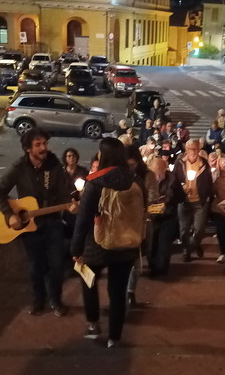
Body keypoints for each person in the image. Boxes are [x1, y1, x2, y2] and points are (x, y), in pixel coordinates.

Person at [0, 128, 77, 316]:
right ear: (28, 149)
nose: (43, 147)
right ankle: (38, 301)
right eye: (38, 145)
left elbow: (64, 190)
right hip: (30, 226)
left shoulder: (54, 165)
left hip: (53, 223)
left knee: (56, 265)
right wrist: (9, 214)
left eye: (45, 143)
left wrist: (69, 205)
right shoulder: (20, 167)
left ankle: (55, 299)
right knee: (36, 266)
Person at [71, 138, 145, 348]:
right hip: (126, 244)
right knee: (117, 292)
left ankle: (93, 324)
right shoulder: (134, 180)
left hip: (98, 243)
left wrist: (76, 249)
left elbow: (83, 218)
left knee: (88, 281)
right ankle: (114, 337)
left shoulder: (95, 181)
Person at [124, 145, 160, 307]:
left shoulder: (148, 176)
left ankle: (130, 291)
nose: (130, 168)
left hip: (142, 222)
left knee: (136, 257)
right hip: (122, 223)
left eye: (133, 165)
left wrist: (141, 207)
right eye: (127, 165)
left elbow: (153, 196)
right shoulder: (118, 176)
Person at [173, 139, 213, 262]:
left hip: (199, 201)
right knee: (184, 230)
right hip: (184, 201)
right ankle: (187, 249)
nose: (194, 152)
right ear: (186, 150)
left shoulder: (204, 163)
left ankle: (193, 245)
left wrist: (207, 197)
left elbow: (209, 182)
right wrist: (182, 186)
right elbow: (173, 180)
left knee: (199, 229)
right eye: (191, 149)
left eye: (196, 149)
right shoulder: (180, 163)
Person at [148, 157, 183, 276]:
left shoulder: (172, 179)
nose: (157, 176)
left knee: (164, 243)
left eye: (159, 172)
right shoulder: (147, 179)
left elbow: (180, 197)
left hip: (168, 216)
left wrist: (167, 201)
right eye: (154, 173)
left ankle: (162, 269)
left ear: (164, 170)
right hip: (151, 217)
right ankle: (152, 266)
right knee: (152, 243)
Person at [62, 148, 89, 239]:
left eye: (73, 156)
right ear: (65, 158)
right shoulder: (61, 172)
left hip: (79, 203)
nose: (71, 158)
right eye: (69, 156)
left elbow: (88, 185)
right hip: (65, 204)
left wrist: (82, 193)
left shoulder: (83, 171)